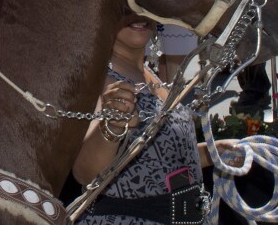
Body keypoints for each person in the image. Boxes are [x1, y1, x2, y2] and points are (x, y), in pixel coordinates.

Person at [72, 16, 241, 224]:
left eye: (142, 7)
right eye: (126, 8)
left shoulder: (150, 75)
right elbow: (85, 173)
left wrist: (212, 153)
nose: (138, 16)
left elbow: (159, 157)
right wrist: (111, 126)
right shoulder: (96, 79)